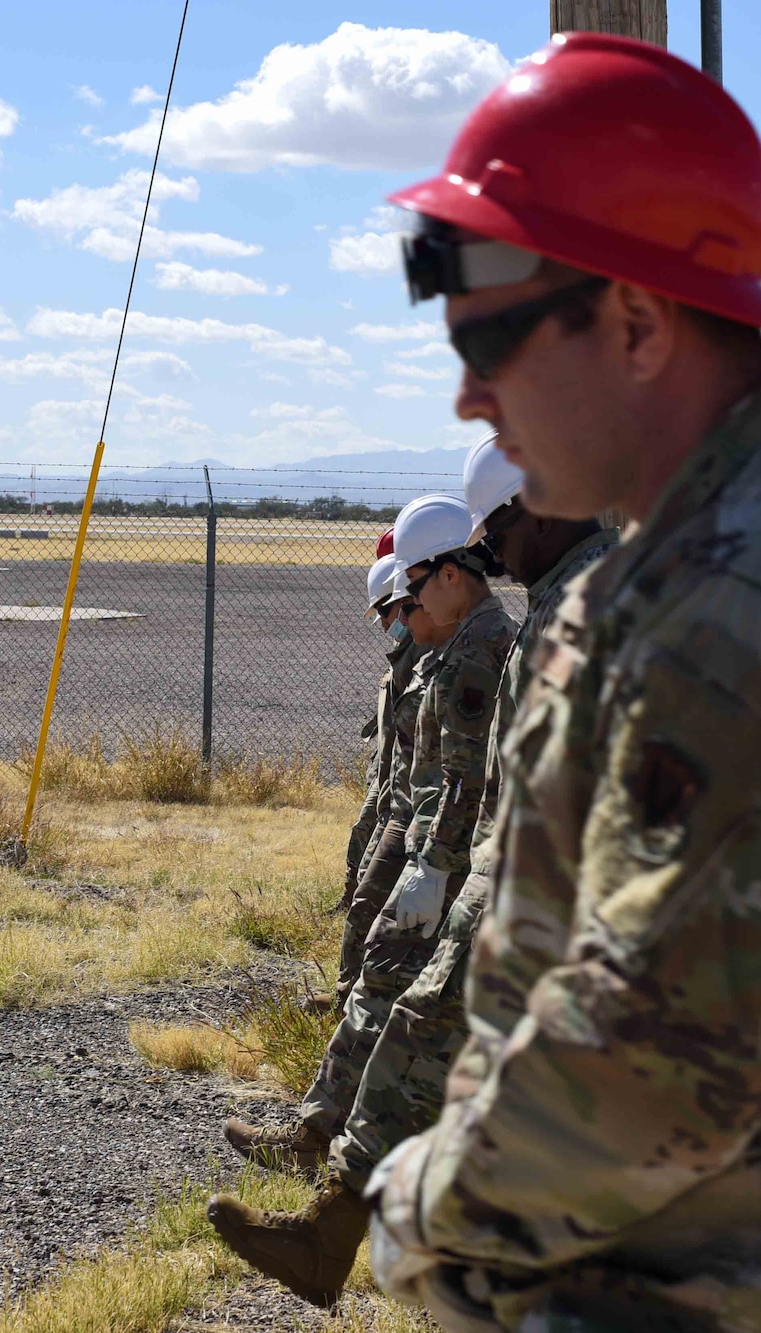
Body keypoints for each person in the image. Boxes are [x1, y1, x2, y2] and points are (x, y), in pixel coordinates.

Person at [359, 32, 761, 1333]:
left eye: (494, 333)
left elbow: (652, 1065)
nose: (468, 396)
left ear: (641, 322)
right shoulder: (688, 562)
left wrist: (421, 1206)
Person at [208, 437, 616, 1307]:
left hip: (547, 884)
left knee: (433, 1034)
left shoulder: (592, 603)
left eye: (499, 526)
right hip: (534, 881)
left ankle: (350, 1234)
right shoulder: (571, 595)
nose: (493, 550)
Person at [222, 495, 516, 1179]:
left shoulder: (478, 649)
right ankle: (331, 1138)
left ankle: (323, 1142)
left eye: (411, 588)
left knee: (387, 989)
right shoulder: (467, 643)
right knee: (393, 996)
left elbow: (466, 778)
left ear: (450, 574)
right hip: (445, 857)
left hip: (456, 862)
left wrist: (435, 865)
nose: (407, 610)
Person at [337, 545, 420, 920]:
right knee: (365, 833)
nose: (385, 624)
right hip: (389, 778)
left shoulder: (422, 656)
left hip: (402, 788)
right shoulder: (408, 655)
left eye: (386, 612)